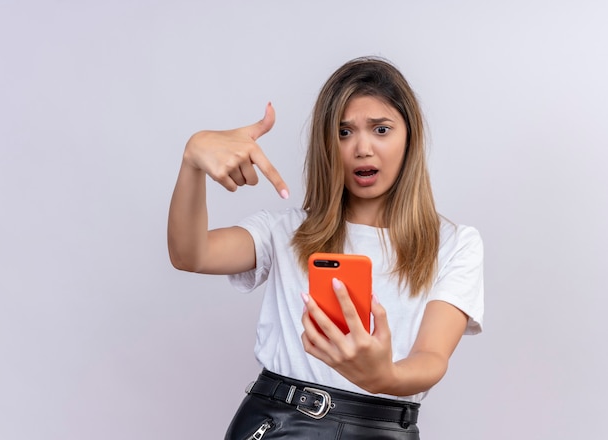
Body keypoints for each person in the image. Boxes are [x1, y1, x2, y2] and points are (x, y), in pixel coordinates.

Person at [167, 57, 484, 439]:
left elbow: (432, 357)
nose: (362, 148)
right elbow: (190, 254)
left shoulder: (453, 244)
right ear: (326, 143)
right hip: (280, 424)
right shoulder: (285, 231)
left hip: (385, 429)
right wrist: (192, 160)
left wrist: (387, 375)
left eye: (381, 129)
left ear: (409, 137)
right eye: (344, 132)